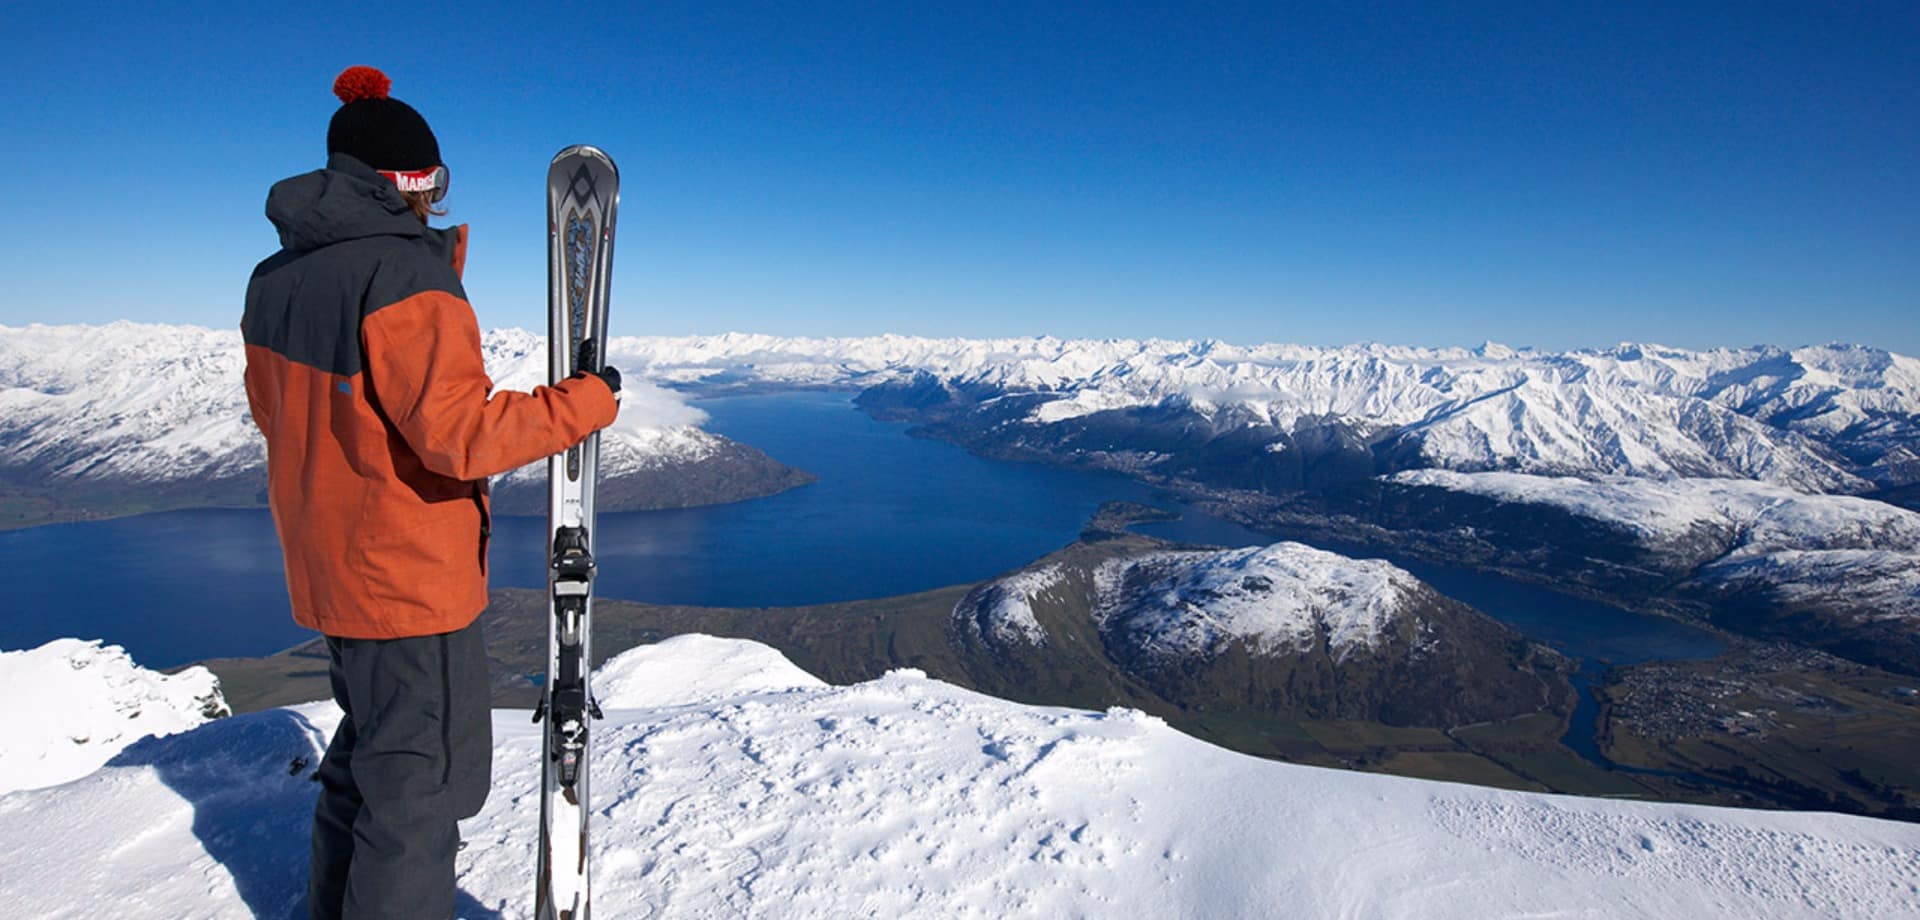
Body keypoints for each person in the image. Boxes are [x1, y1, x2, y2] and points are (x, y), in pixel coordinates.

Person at [241, 66, 621, 919]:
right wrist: (586, 402)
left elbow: (278, 419)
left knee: (368, 758)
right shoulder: (407, 276)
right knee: (421, 789)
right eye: (435, 181)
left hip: (332, 572)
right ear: (414, 182)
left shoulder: (275, 279)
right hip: (406, 579)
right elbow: (462, 437)